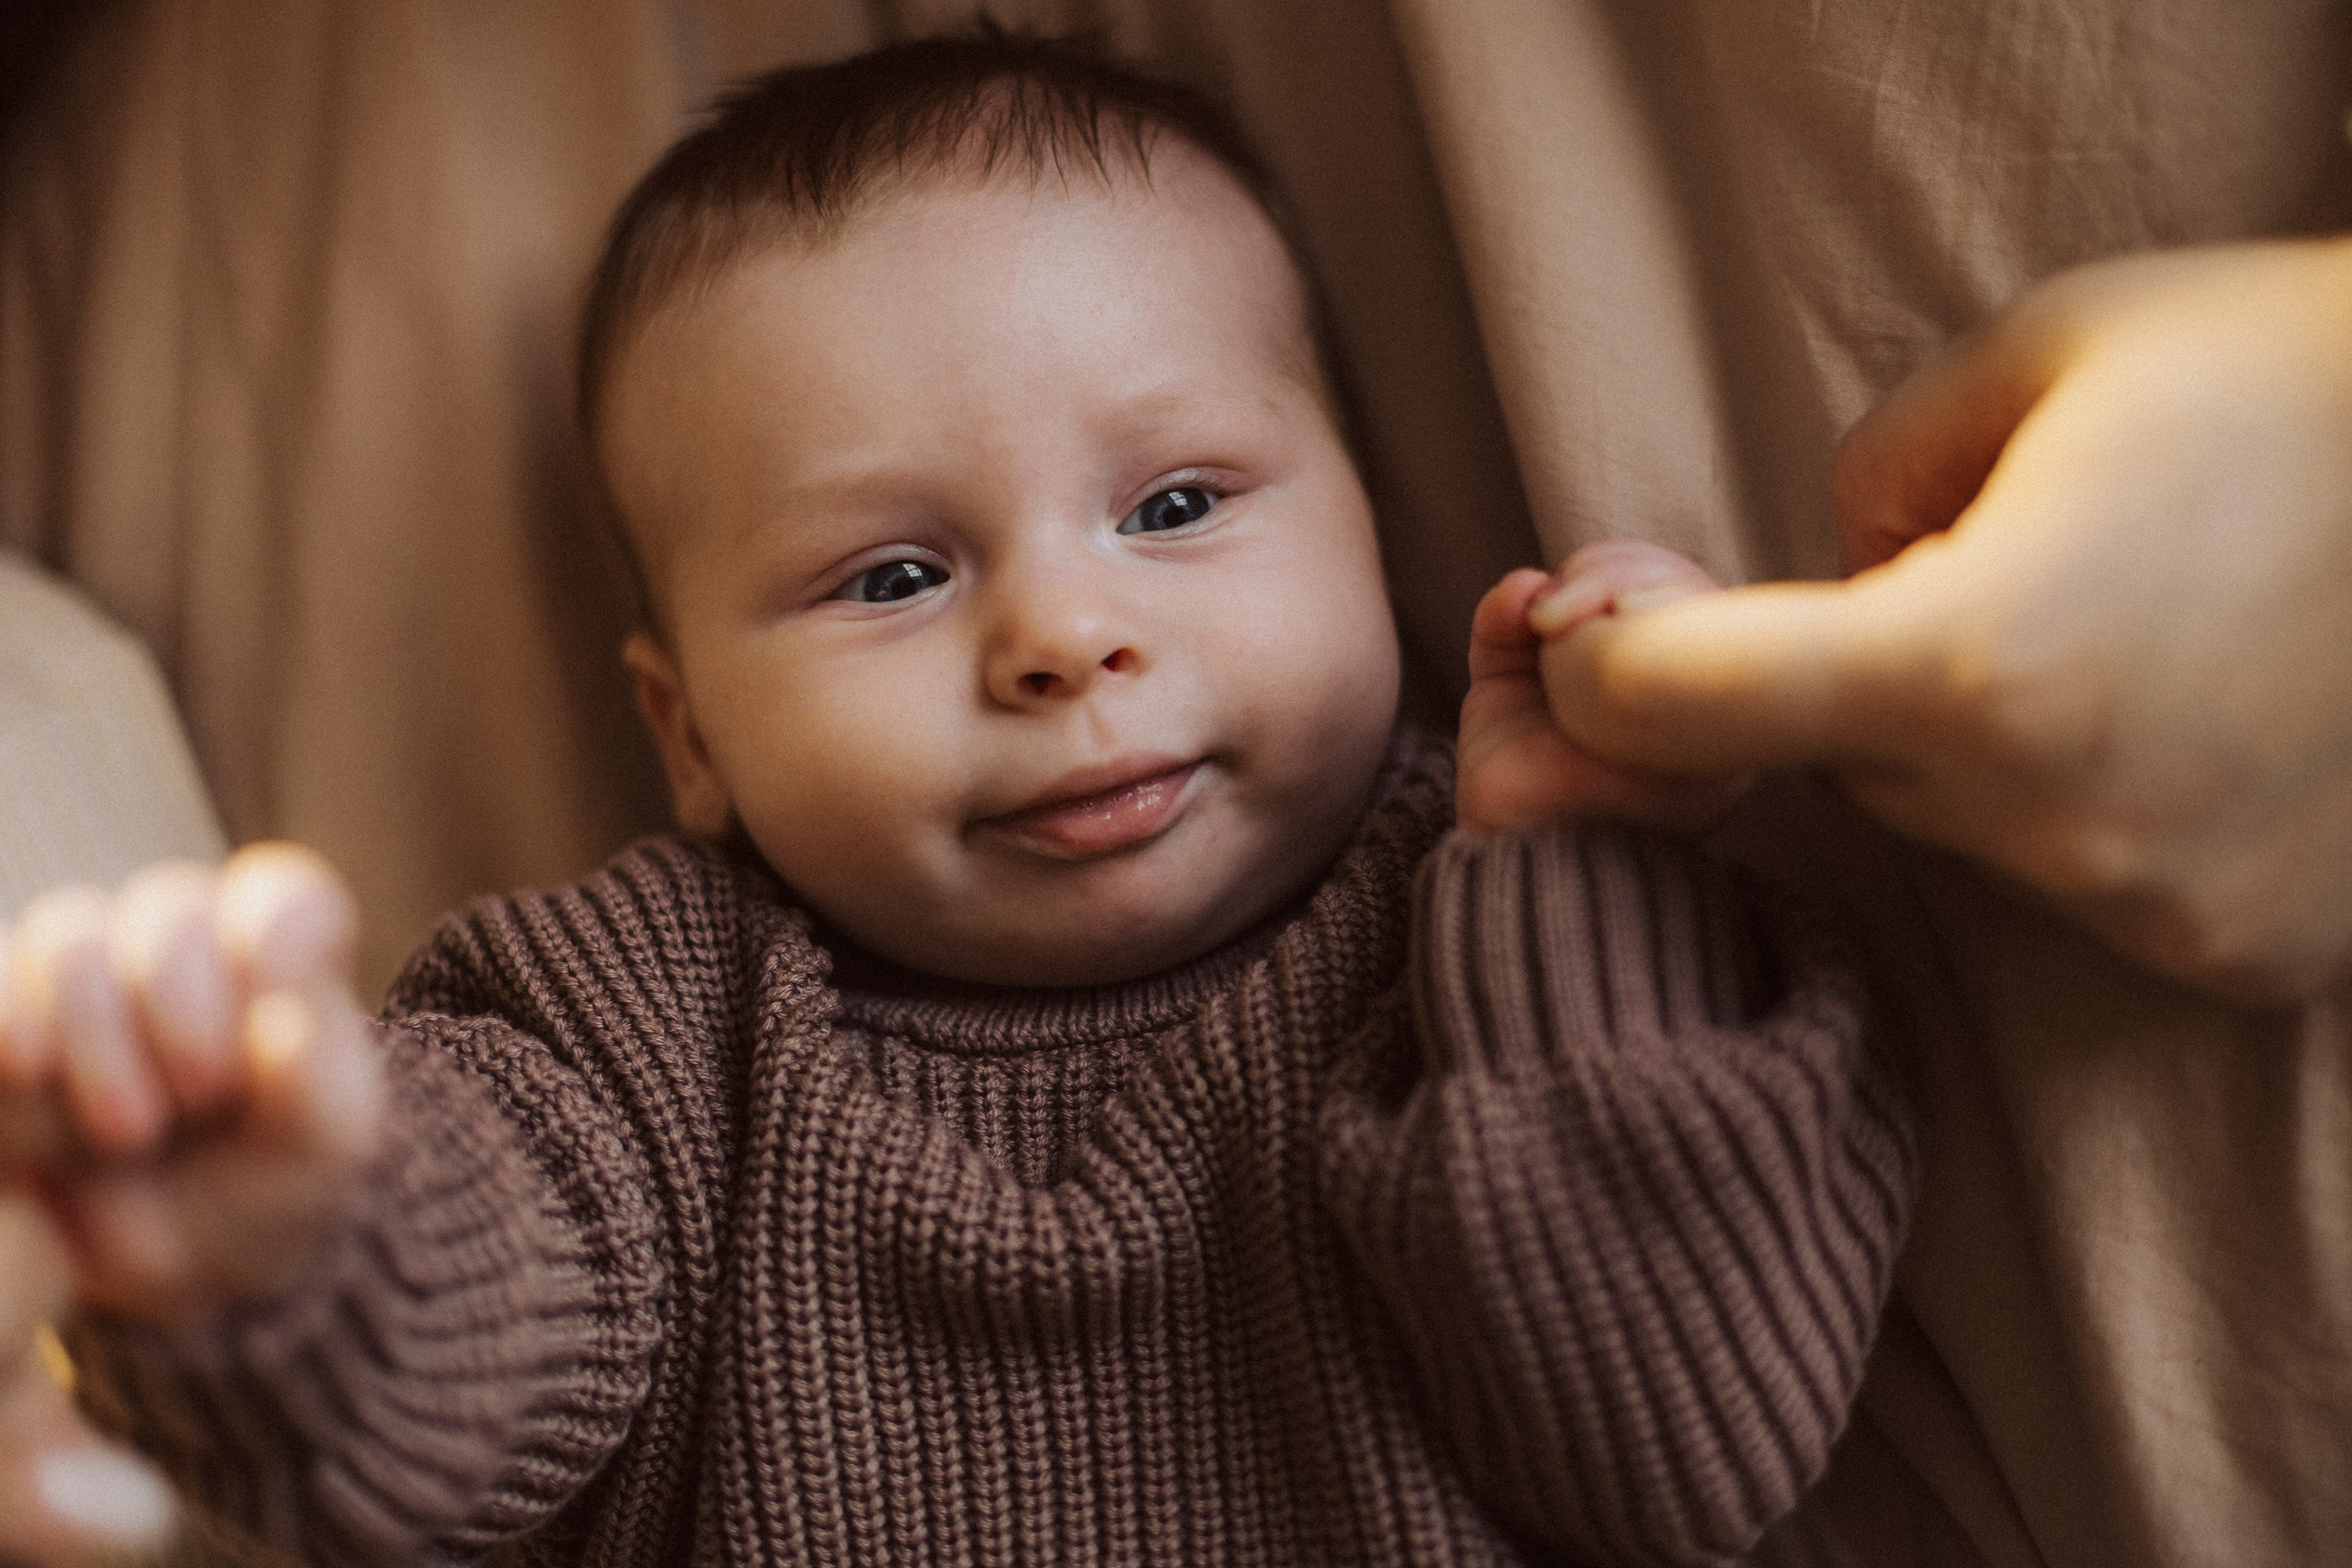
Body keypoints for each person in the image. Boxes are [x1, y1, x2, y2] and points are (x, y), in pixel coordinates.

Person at [0, 34, 1915, 1568]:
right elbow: (444, 1401)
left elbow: (1677, 1454)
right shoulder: (629, 1023)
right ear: (689, 734)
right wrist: (289, 1242)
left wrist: (1570, 863)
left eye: (1173, 506)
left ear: (1370, 523)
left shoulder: (1474, 945)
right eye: (892, 575)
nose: (1060, 638)